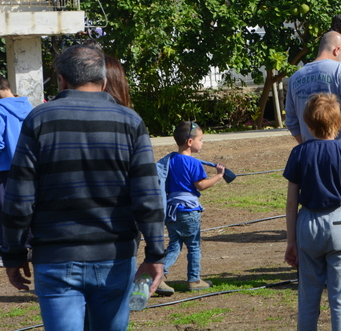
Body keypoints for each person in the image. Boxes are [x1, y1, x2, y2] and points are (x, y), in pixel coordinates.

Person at [0, 44, 165, 330]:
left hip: (55, 258)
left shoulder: (39, 120)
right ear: (103, 80)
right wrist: (155, 254)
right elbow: (148, 196)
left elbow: (19, 197)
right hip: (114, 257)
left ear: (62, 79)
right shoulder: (130, 122)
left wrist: (13, 253)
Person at [285, 31, 341, 284]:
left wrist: (307, 145)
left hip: (310, 156)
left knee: (315, 205)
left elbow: (291, 120)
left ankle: (318, 262)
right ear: (337, 50)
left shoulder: (296, 76)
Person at [283, 93, 341, 331]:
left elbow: (291, 203)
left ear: (308, 124)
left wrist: (291, 241)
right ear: (338, 122)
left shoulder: (298, 153)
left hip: (308, 224)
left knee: (308, 298)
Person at [159, 122, 225, 294]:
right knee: (194, 246)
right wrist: (218, 176)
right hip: (189, 212)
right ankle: (194, 280)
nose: (202, 143)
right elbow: (201, 185)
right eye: (200, 140)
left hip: (172, 211)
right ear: (189, 142)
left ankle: (157, 275)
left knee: (175, 245)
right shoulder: (193, 163)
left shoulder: (169, 160)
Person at [0, 77, 33, 263]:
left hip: (4, 168)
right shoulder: (29, 107)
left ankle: (7, 249)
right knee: (26, 206)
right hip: (27, 166)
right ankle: (28, 245)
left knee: (5, 210)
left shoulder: (0, 110)